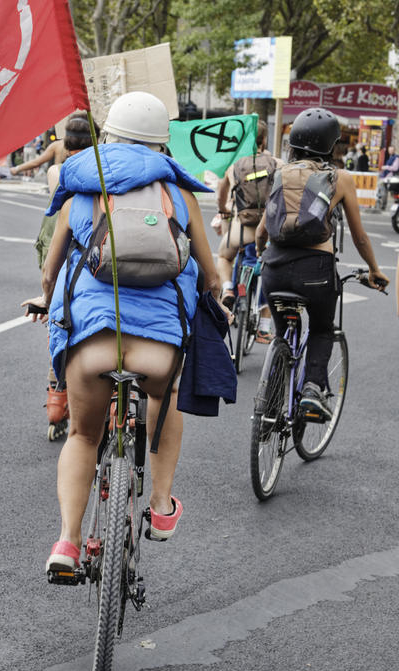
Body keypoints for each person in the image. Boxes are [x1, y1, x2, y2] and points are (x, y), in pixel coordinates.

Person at [23, 91, 220, 573]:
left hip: (92, 347)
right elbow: (211, 277)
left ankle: (67, 544)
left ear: (108, 135)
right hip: (157, 354)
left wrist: (46, 302)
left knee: (82, 437)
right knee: (164, 400)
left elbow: (50, 274)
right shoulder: (179, 196)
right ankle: (159, 504)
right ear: (161, 143)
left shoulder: (82, 188)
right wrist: (218, 299)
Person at [256, 108, 389, 419]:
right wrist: (374, 269)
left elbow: (262, 231)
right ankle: (314, 389)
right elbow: (359, 237)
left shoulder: (279, 173)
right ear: (331, 145)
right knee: (321, 329)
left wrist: (263, 254)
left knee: (281, 336)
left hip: (273, 269)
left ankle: (269, 407)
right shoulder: (339, 178)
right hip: (314, 272)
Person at [31, 113, 99, 439]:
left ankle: (55, 400)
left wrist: (45, 299)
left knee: (59, 322)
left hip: (55, 253)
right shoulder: (102, 171)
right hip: (86, 253)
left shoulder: (57, 171)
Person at [214, 120, 280, 343]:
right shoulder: (277, 164)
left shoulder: (235, 167)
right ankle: (263, 327)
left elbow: (220, 197)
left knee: (224, 257)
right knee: (274, 270)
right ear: (264, 140)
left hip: (241, 231)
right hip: (270, 231)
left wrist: (223, 210)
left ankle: (228, 288)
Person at [375, 145, 399, 209]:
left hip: (391, 177)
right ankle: (382, 204)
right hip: (386, 177)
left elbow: (395, 168)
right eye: (389, 150)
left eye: (391, 150)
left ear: (394, 150)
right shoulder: (390, 157)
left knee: (385, 190)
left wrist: (386, 167)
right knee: (383, 190)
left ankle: (383, 204)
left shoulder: (396, 158)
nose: (390, 151)